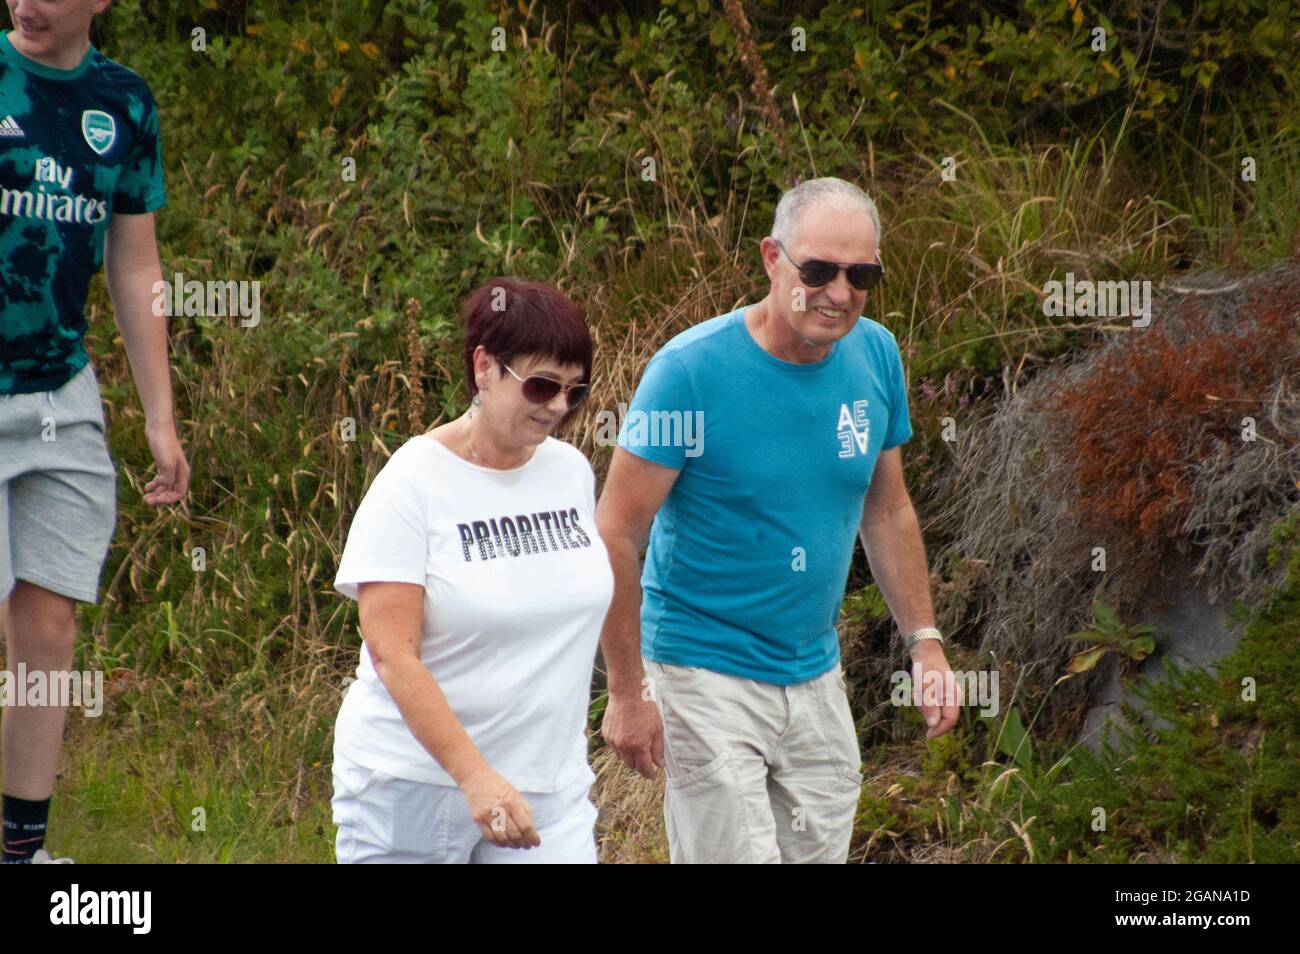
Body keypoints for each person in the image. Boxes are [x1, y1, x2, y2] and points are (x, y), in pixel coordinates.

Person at [596, 177, 960, 864]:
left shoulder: (875, 354)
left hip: (815, 670)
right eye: (818, 270)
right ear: (772, 258)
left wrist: (925, 641)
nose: (840, 292)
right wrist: (626, 689)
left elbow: (886, 509)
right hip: (703, 667)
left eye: (863, 275)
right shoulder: (689, 373)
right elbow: (615, 531)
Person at [330, 277, 613, 864]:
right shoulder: (412, 484)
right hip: (413, 790)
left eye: (574, 391)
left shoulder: (570, 473)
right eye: (541, 385)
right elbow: (392, 654)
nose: (558, 406)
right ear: (484, 367)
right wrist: (475, 776)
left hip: (548, 790)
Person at [0, 0, 188, 864]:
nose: (29, 3)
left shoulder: (125, 104)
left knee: (49, 628)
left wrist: (159, 416)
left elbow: (135, 259)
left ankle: (20, 849)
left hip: (60, 395)